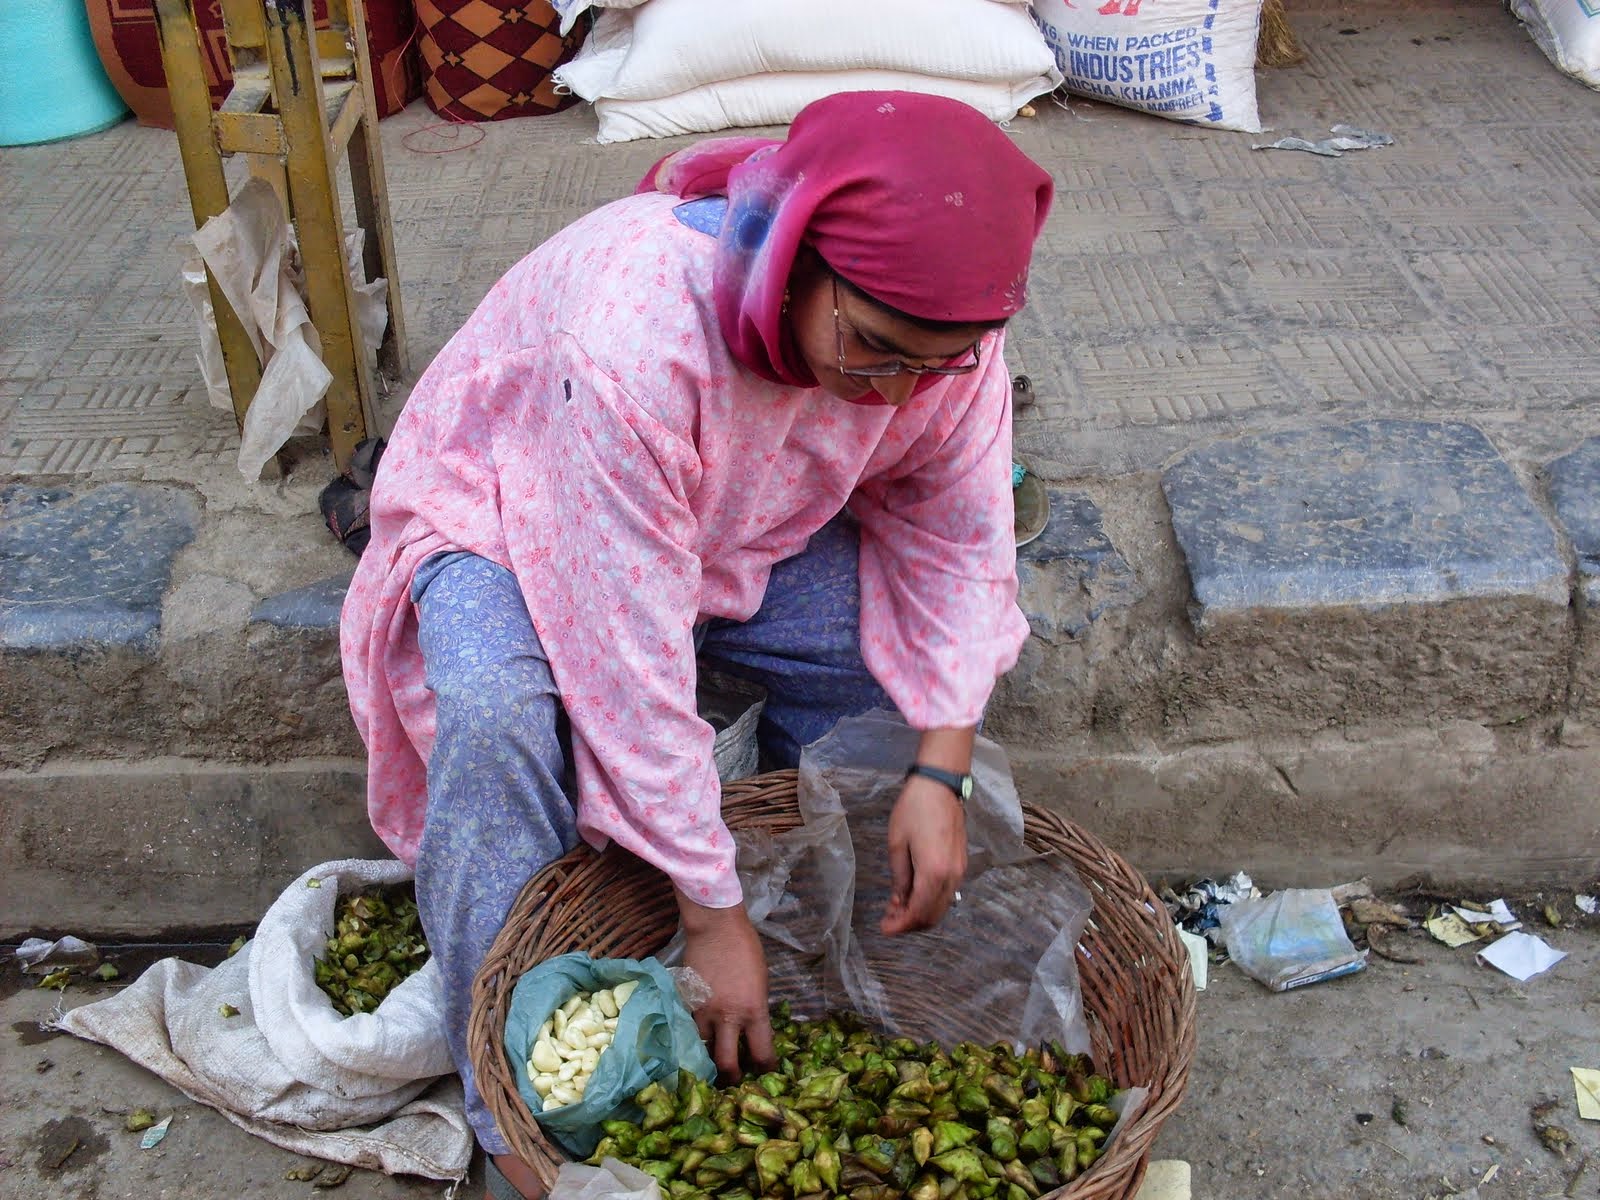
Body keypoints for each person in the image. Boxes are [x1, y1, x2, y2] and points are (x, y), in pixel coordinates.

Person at [339, 89, 1054, 1199]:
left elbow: (958, 538)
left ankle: (818, 954)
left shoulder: (950, 348)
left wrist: (938, 769)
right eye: (871, 349)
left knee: (874, 674)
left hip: (735, 524)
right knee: (493, 715)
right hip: (517, 513)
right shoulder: (639, 335)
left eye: (937, 362)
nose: (901, 392)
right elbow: (623, 657)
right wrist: (708, 918)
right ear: (793, 259)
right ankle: (516, 1097)